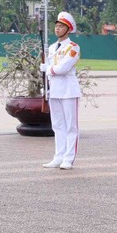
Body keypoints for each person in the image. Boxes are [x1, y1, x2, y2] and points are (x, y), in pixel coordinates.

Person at [41, 11, 82, 170]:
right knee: (57, 126)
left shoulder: (73, 47)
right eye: (56, 26)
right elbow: (50, 71)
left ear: (68, 29)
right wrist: (46, 86)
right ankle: (58, 157)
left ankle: (68, 158)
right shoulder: (52, 47)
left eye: (61, 26)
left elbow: (63, 68)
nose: (57, 29)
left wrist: (48, 69)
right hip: (55, 90)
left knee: (71, 126)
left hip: (68, 90)